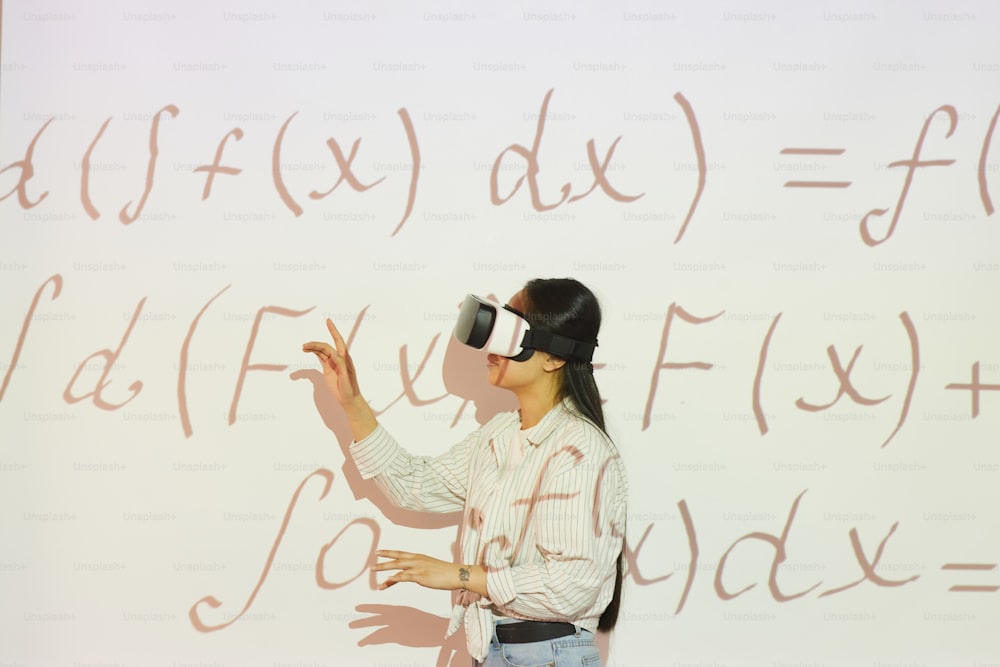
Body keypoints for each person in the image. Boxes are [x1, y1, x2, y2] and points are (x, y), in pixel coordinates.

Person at [302, 277, 627, 666]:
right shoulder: (500, 435)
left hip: (547, 655)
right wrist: (352, 403)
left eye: (508, 331)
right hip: (495, 651)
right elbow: (416, 485)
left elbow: (573, 586)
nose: (489, 347)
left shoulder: (581, 449)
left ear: (554, 356)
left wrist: (460, 575)